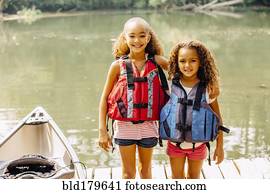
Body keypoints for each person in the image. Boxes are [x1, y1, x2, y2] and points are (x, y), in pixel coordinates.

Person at [98, 17, 169, 179]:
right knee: (128, 174)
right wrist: (103, 131)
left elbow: (185, 73)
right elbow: (104, 99)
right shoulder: (117, 66)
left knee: (146, 171)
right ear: (125, 37)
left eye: (142, 35)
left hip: (149, 126)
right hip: (124, 127)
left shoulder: (157, 61)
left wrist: (209, 84)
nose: (137, 40)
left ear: (149, 37)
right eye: (132, 36)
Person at [160, 40, 227, 179]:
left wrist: (220, 147)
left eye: (193, 61)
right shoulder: (170, 84)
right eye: (182, 61)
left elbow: (218, 119)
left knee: (193, 179)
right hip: (174, 145)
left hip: (198, 146)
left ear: (201, 62)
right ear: (176, 63)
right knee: (176, 179)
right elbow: (158, 60)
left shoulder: (208, 89)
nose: (187, 65)